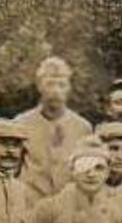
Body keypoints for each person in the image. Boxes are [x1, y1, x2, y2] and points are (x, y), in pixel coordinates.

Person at [13, 56, 93, 200]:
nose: (56, 91)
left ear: (69, 88)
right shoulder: (21, 123)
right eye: (50, 84)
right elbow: (12, 168)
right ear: (39, 86)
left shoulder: (83, 127)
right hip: (30, 203)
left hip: (69, 205)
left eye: (62, 85)